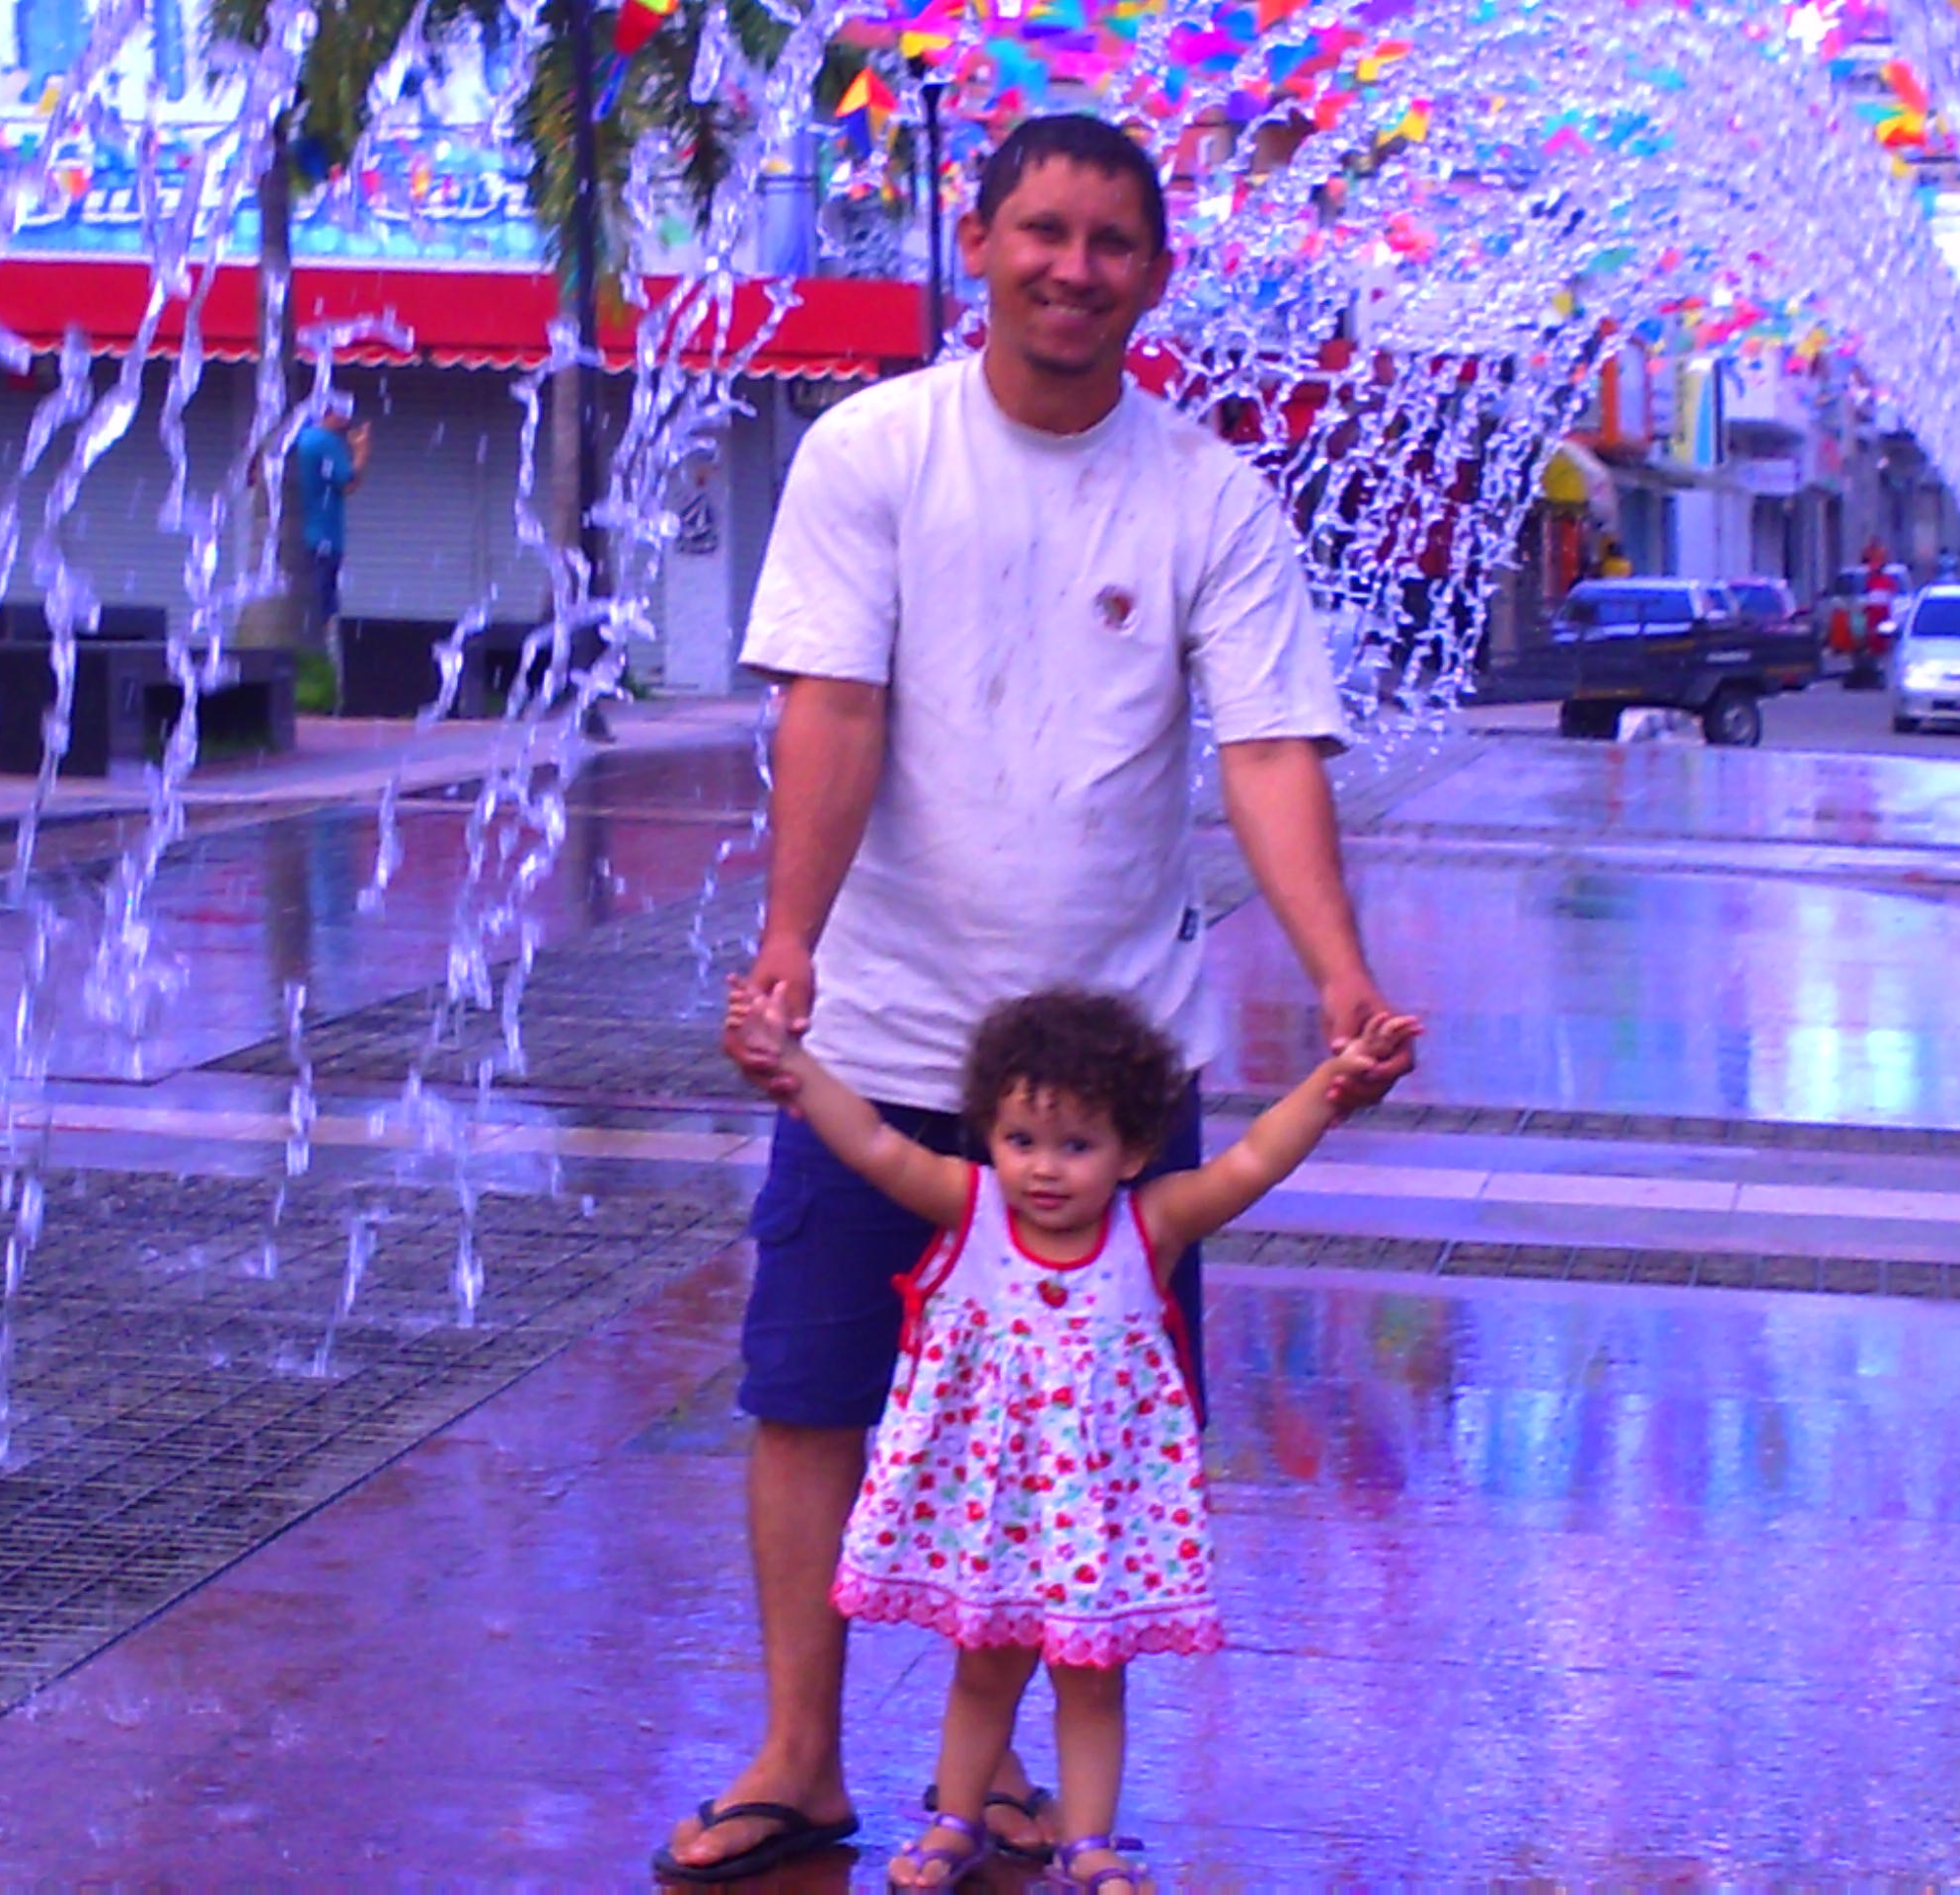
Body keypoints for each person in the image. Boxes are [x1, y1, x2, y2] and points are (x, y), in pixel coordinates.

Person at [655, 110, 1408, 1883]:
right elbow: (833, 706)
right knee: (812, 1391)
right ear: (979, 241)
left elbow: (1269, 748)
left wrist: (1340, 971)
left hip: (1106, 1090)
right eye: (1044, 231)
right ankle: (800, 1757)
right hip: (888, 1034)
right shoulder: (874, 451)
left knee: (1077, 1433)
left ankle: (993, 1778)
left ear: (1155, 275)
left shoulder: (1209, 495)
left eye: (1112, 242)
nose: (1075, 269)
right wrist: (791, 939)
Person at [722, 985, 1419, 1892]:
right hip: (995, 1505)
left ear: (1134, 1150)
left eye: (1076, 1146)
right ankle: (955, 1822)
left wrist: (1332, 1087)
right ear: (988, 1134)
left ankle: (1088, 1841)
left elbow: (1253, 1158)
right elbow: (872, 1143)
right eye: (1021, 1140)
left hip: (1099, 1510)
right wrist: (792, 1063)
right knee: (985, 1666)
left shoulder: (1151, 1225)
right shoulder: (971, 1207)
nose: (1043, 1170)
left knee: (1094, 1678)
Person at [290, 403, 370, 707]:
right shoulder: (326, 441)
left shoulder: (300, 438)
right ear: (329, 412)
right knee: (323, 614)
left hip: (299, 540)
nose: (349, 417)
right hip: (324, 539)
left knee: (305, 609)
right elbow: (348, 482)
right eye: (344, 410)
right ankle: (320, 686)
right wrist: (361, 451)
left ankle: (306, 682)